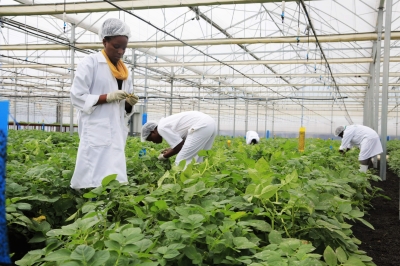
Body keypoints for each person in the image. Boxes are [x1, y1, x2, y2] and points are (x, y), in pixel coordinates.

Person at [70, 18, 139, 189]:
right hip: (96, 129)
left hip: (116, 129)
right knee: (93, 176)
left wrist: (129, 104)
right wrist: (106, 97)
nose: (121, 51)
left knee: (114, 178)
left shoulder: (124, 71)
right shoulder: (91, 63)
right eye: (116, 46)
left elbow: (123, 110)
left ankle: (110, 207)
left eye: (124, 47)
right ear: (104, 41)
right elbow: (77, 96)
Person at [141, 111, 217, 166]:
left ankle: (183, 185)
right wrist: (170, 149)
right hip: (210, 124)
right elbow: (183, 143)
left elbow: (179, 146)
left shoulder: (161, 128)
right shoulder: (164, 124)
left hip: (201, 126)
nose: (153, 142)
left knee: (180, 162)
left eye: (151, 139)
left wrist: (164, 156)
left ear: (153, 132)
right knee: (199, 158)